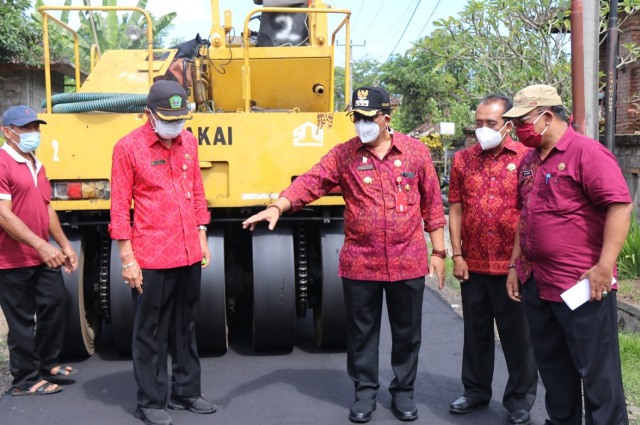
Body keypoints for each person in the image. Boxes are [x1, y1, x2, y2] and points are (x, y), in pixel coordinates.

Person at [242, 86, 447, 423]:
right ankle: (365, 393)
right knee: (362, 333)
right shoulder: (344, 155)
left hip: (407, 260)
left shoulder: (415, 153)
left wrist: (439, 251)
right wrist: (278, 205)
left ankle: (403, 393)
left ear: (386, 118)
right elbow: (311, 182)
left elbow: (432, 205)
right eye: (357, 117)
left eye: (368, 118)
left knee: (407, 332)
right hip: (360, 263)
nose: (361, 124)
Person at [504, 84, 632, 425]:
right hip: (537, 284)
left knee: (597, 375)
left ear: (546, 116)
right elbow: (525, 215)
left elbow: (620, 207)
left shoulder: (586, 153)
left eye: (522, 121)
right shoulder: (529, 161)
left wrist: (605, 267)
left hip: (581, 285)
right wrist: (516, 264)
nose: (518, 130)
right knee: (553, 368)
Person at [109, 80, 216, 425]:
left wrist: (202, 233)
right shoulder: (128, 147)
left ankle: (186, 390)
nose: (175, 126)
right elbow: (118, 208)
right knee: (151, 330)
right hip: (151, 255)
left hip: (187, 252)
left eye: (179, 118)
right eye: (167, 118)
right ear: (148, 114)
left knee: (186, 325)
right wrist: (127, 259)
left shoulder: (188, 142)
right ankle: (151, 401)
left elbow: (197, 190)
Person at [448, 94, 538, 425]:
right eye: (479, 122)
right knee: (476, 332)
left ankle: (519, 400)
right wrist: (457, 253)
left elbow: (531, 210)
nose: (483, 129)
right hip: (472, 263)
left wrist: (520, 261)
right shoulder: (462, 160)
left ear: (508, 126)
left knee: (518, 336)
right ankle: (474, 391)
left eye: (491, 123)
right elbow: (455, 206)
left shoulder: (528, 158)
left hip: (513, 266)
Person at [0, 105, 79, 396]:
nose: (34, 133)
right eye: (26, 128)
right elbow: (4, 215)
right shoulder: (1, 163)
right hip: (10, 258)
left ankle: (46, 363)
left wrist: (64, 244)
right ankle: (25, 380)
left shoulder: (36, 163)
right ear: (7, 132)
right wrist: (41, 245)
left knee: (56, 303)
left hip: (41, 253)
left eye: (36, 126)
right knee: (21, 320)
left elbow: (46, 207)